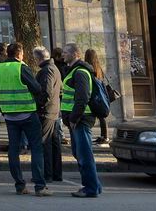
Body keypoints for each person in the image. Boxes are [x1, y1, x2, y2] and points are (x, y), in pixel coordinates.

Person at [0, 43, 48, 196]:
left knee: (13, 150)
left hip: (10, 116)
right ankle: (39, 186)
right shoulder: (21, 68)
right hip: (28, 113)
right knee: (36, 148)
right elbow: (36, 88)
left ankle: (19, 185)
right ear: (19, 54)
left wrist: (4, 109)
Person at [62, 42, 102, 198]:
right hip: (77, 119)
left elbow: (82, 98)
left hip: (81, 119)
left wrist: (73, 118)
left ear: (75, 54)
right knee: (79, 153)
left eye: (66, 52)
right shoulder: (74, 71)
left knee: (84, 155)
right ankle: (95, 186)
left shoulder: (80, 72)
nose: (63, 54)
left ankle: (90, 188)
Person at [34, 46, 63, 183]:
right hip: (53, 111)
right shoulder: (54, 69)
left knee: (45, 144)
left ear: (39, 58)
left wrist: (38, 105)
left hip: (46, 112)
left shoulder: (47, 71)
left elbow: (46, 92)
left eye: (35, 59)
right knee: (53, 144)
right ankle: (55, 174)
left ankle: (47, 174)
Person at [84, 48, 110, 145]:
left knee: (98, 116)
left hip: (94, 94)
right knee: (101, 116)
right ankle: (104, 136)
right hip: (100, 95)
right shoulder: (98, 67)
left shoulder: (88, 68)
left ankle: (105, 137)